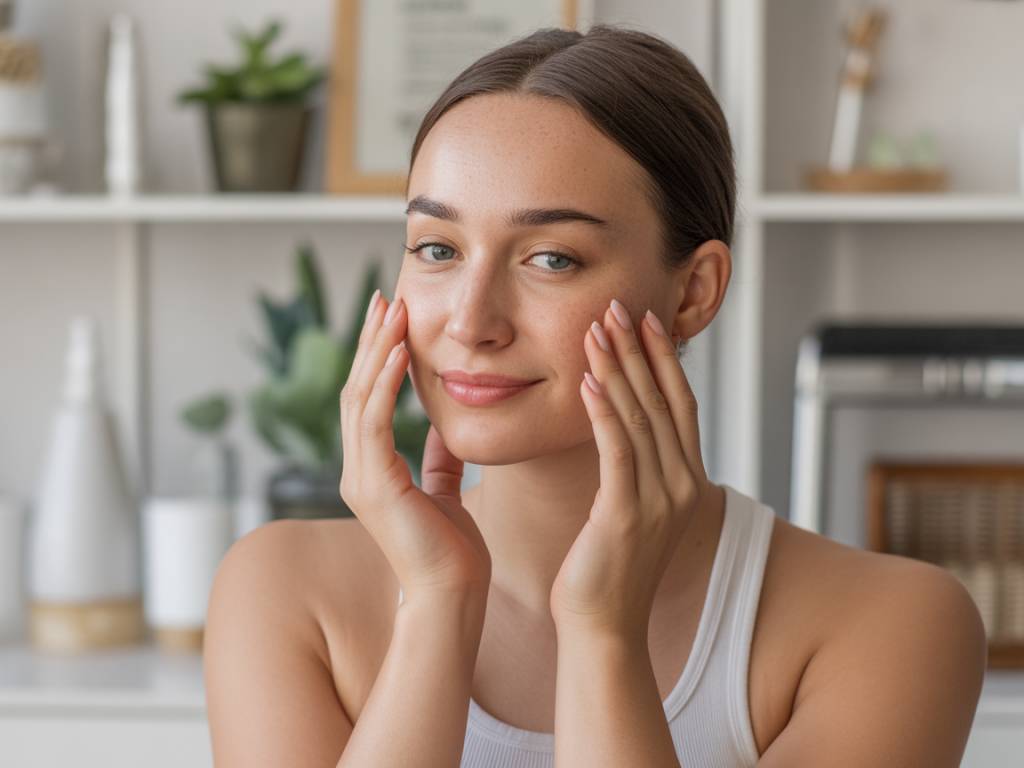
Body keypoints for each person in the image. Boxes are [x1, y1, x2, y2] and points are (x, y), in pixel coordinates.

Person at [204, 24, 987, 768]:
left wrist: (604, 631)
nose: (471, 322)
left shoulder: (892, 625)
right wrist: (437, 604)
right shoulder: (281, 591)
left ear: (694, 291)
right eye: (437, 248)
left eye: (551, 259)